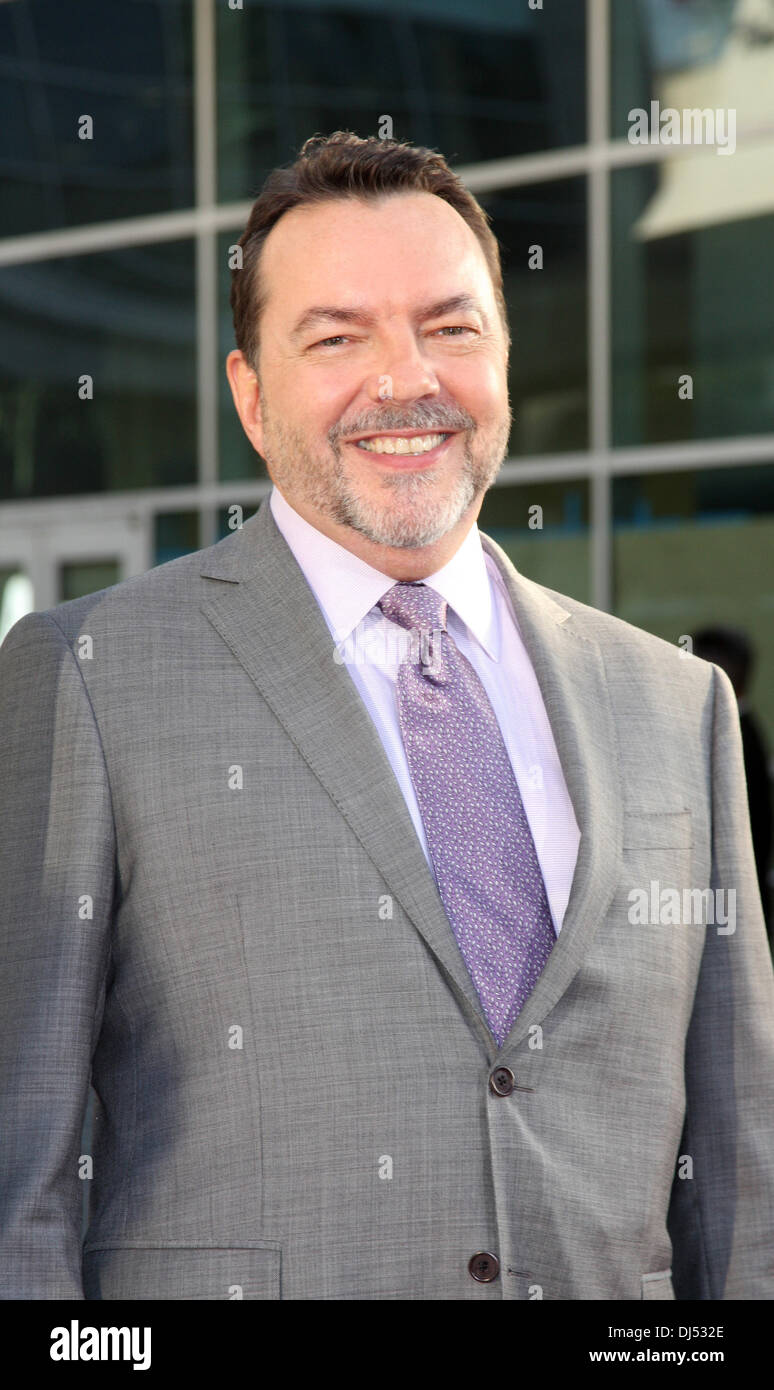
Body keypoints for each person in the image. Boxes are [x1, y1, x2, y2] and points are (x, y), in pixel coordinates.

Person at [1, 131, 773, 1302]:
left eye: (451, 327)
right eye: (336, 336)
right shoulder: (90, 676)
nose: (404, 378)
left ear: (503, 360)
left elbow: (739, 1177)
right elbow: (21, 1174)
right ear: (251, 395)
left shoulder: (677, 705)